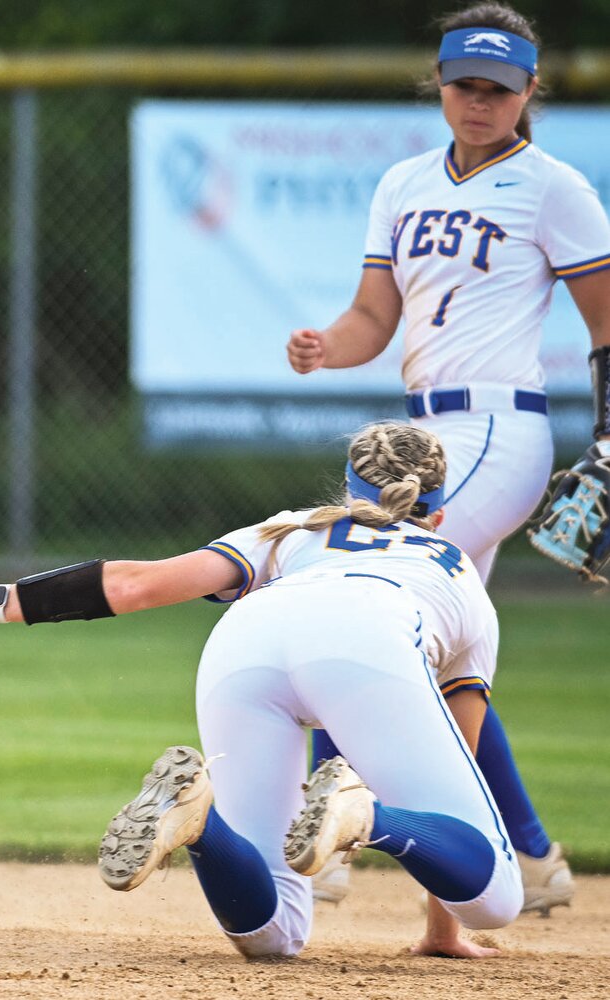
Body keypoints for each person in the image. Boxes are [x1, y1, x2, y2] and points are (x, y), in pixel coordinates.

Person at [0, 423, 521, 958]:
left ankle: (199, 822)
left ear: (349, 489)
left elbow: (137, 584)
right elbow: (456, 796)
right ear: (441, 507)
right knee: (498, 897)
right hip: (370, 638)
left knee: (273, 938)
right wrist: (444, 933)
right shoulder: (459, 574)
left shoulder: (294, 529)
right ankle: (364, 817)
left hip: (245, 641)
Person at [284, 2, 609, 914]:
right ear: (440, 82)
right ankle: (534, 860)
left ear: (529, 92)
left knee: (358, 578)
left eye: (500, 90)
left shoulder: (554, 188)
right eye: (466, 84)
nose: (481, 102)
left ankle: (328, 822)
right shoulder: (403, 185)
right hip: (426, 434)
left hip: (503, 431)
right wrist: (325, 347)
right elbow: (372, 322)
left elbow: (607, 324)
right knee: (450, 651)